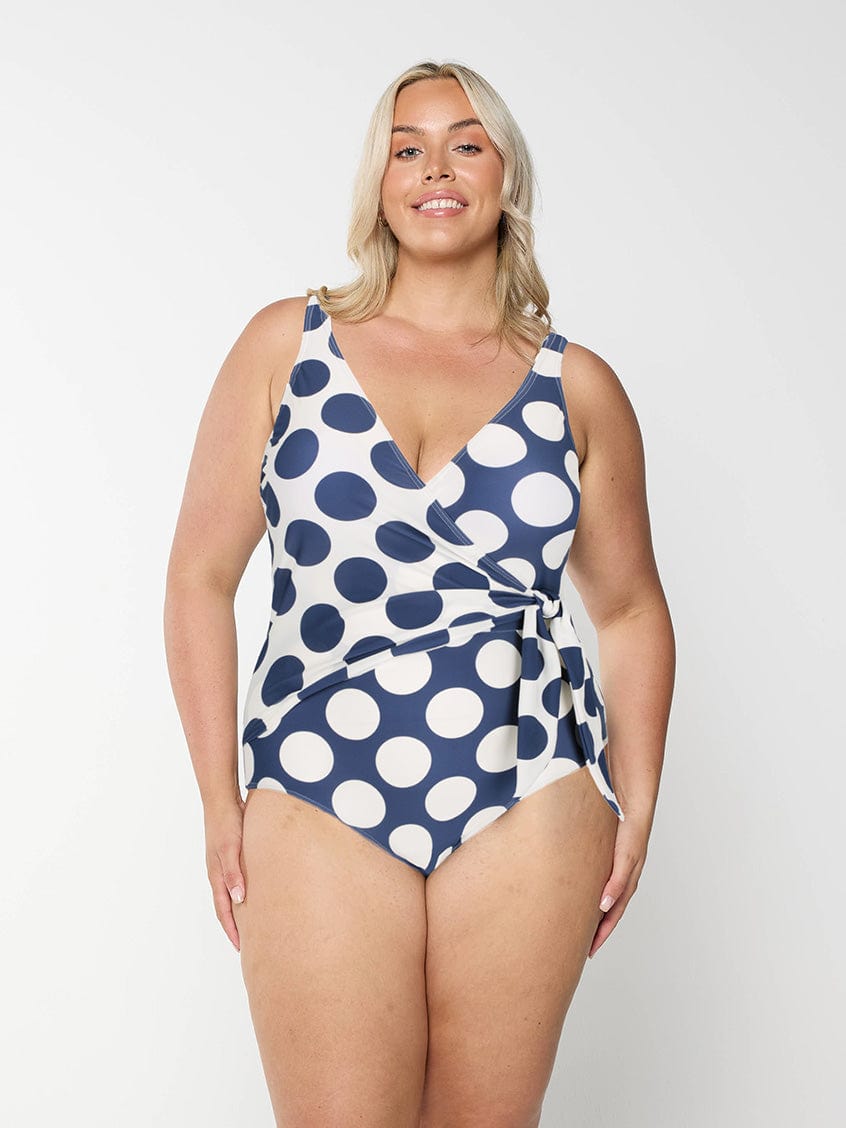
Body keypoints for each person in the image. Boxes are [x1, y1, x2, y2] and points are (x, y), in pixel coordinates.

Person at [164, 59, 675, 1128]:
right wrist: (220, 800)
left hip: (529, 787)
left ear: (505, 177)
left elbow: (629, 609)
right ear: (379, 181)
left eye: (466, 143)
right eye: (408, 146)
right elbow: (201, 579)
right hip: (316, 780)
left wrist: (637, 804)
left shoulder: (577, 388)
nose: (435, 168)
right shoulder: (284, 346)